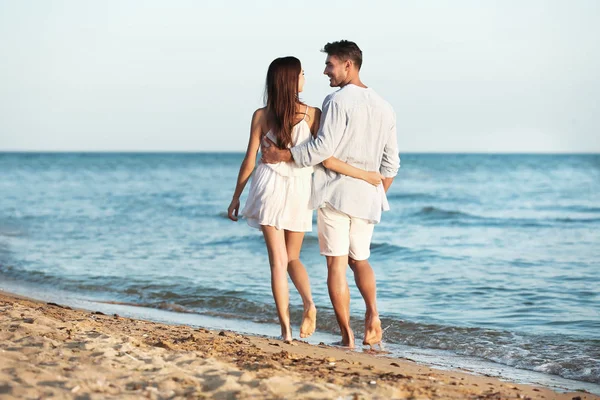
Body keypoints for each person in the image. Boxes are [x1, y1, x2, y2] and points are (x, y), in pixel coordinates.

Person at [227, 56, 384, 342]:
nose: (305, 77)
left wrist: (236, 196)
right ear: (291, 80)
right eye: (301, 73)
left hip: (268, 185)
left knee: (278, 261)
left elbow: (250, 161)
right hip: (300, 188)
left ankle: (286, 330)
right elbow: (326, 157)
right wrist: (364, 175)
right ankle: (309, 303)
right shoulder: (312, 114)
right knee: (293, 257)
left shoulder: (261, 115)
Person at [261, 41, 400, 348]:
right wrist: (375, 192)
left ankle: (348, 337)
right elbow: (391, 164)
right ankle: (373, 314)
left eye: (330, 65)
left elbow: (322, 150)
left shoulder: (337, 101)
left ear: (348, 65)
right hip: (367, 195)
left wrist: (284, 156)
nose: (326, 71)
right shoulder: (385, 107)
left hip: (334, 193)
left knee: (337, 265)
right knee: (360, 260)